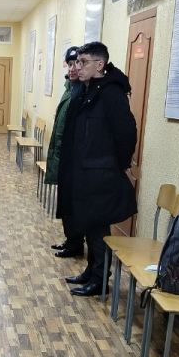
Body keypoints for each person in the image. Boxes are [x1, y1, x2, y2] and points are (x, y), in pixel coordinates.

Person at [58, 42, 137, 297]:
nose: (78, 67)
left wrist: (117, 165)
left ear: (99, 65)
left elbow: (126, 133)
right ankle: (91, 271)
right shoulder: (86, 90)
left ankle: (100, 279)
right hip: (84, 172)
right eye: (76, 62)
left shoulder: (112, 93)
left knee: (98, 228)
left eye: (83, 62)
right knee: (89, 225)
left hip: (101, 174)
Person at [47, 45, 85, 258]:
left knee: (72, 205)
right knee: (65, 203)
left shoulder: (81, 91)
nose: (72, 69)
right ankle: (71, 240)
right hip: (63, 155)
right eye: (69, 64)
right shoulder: (70, 88)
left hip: (73, 159)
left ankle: (75, 244)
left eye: (76, 64)